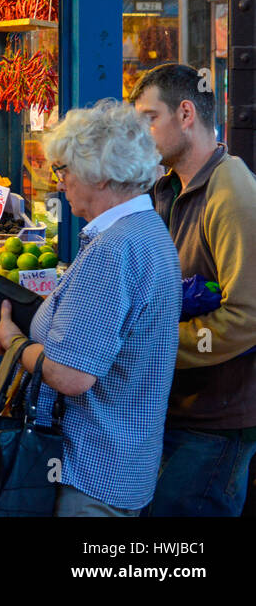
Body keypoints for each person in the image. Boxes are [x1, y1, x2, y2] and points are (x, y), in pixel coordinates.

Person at [0, 100, 181, 516]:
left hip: (92, 471)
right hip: (123, 465)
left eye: (65, 169)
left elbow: (71, 376)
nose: (60, 182)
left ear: (102, 173)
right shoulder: (146, 230)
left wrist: (15, 342)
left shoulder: (115, 248)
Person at [131, 63, 256, 516]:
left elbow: (247, 318)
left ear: (186, 114)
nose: (141, 133)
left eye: (149, 118)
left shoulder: (233, 192)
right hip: (179, 409)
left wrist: (152, 345)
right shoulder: (167, 188)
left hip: (217, 421)